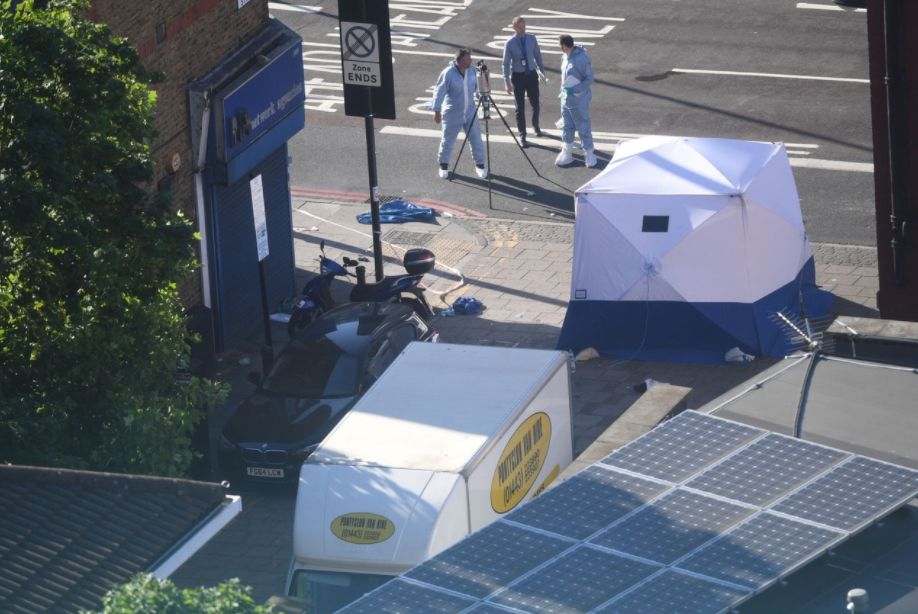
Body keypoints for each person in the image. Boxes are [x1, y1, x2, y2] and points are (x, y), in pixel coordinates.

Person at [432, 48, 488, 179]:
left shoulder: (473, 71)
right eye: (468, 59)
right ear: (461, 61)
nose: (471, 60)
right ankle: (443, 165)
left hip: (470, 111)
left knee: (476, 139)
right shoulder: (448, 73)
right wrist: (437, 111)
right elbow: (439, 92)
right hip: (452, 113)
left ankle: (480, 165)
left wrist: (483, 92)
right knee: (448, 140)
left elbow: (477, 90)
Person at [502, 16, 545, 147]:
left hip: (531, 75)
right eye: (519, 27)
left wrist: (542, 72)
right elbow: (505, 63)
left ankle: (536, 125)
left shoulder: (532, 38)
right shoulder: (510, 43)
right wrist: (507, 81)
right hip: (518, 77)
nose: (522, 29)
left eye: (524, 26)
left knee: (535, 104)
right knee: (519, 108)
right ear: (514, 28)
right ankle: (523, 135)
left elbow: (538, 55)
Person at [556, 34, 597, 168]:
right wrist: (562, 96)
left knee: (583, 126)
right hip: (566, 100)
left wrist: (574, 90)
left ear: (563, 46)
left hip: (579, 99)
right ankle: (567, 152)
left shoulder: (581, 59)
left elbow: (589, 79)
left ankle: (589, 153)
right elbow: (565, 80)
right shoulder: (564, 57)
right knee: (567, 127)